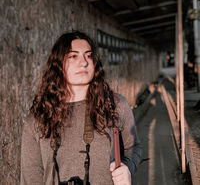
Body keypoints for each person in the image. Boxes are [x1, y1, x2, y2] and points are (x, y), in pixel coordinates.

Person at [20, 31, 142, 185]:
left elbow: (134, 146)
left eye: (89, 56)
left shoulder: (115, 105)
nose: (83, 62)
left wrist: (128, 168)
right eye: (73, 56)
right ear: (58, 64)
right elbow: (30, 178)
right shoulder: (38, 118)